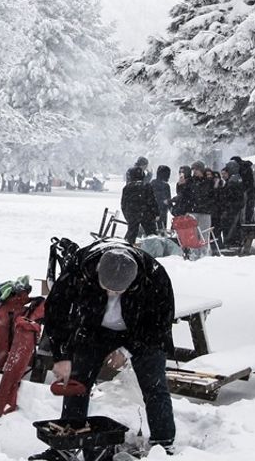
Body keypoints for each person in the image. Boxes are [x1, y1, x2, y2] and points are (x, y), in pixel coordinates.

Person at [35, 241, 176, 459]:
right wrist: (61, 356)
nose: (111, 293)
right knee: (77, 382)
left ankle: (163, 444)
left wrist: (128, 350)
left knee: (154, 385)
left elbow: (160, 324)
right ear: (98, 270)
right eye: (106, 288)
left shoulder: (154, 276)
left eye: (118, 291)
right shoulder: (80, 268)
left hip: (141, 333)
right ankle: (68, 444)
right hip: (94, 330)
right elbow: (56, 312)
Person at [120, 167, 159, 243]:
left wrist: (128, 216)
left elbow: (123, 204)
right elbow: (152, 201)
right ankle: (153, 250)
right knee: (151, 235)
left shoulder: (127, 188)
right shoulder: (147, 186)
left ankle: (130, 248)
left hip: (133, 214)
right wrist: (156, 213)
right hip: (147, 214)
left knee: (131, 234)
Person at [150, 165, 173, 233]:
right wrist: (173, 210)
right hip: (162, 211)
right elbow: (168, 200)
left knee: (151, 231)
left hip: (151, 211)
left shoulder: (152, 183)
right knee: (161, 231)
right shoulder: (166, 185)